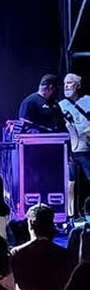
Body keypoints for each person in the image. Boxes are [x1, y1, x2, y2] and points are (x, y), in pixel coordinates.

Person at [59, 73, 90, 219]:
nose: (66, 86)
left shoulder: (88, 101)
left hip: (86, 149)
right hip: (70, 150)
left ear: (78, 85)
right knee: (70, 183)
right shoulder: (61, 105)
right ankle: (71, 215)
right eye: (65, 83)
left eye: (70, 83)